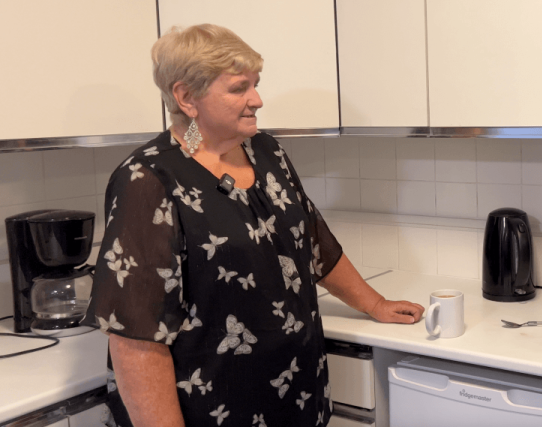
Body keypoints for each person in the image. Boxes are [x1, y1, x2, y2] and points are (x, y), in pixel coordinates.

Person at [85, 24, 425, 427]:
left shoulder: (266, 152)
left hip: (293, 391)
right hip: (212, 407)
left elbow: (311, 242)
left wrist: (375, 304)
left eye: (256, 84)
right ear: (186, 97)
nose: (257, 100)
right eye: (238, 88)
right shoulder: (149, 180)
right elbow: (134, 335)